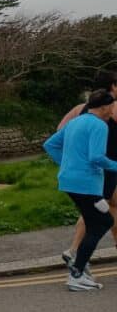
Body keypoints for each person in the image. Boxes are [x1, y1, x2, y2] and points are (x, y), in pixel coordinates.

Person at [43, 89, 117, 291]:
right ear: (104, 107)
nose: (113, 110)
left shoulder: (76, 121)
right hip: (87, 184)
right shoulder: (100, 126)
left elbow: (49, 144)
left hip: (70, 181)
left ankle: (78, 269)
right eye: (112, 106)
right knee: (103, 223)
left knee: (96, 221)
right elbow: (96, 157)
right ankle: (76, 273)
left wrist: (67, 163)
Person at [56, 72, 117, 268]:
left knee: (93, 211)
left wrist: (71, 159)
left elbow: (60, 131)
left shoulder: (80, 109)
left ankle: (73, 250)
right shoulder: (113, 106)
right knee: (110, 210)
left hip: (87, 171)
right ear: (113, 87)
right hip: (108, 167)